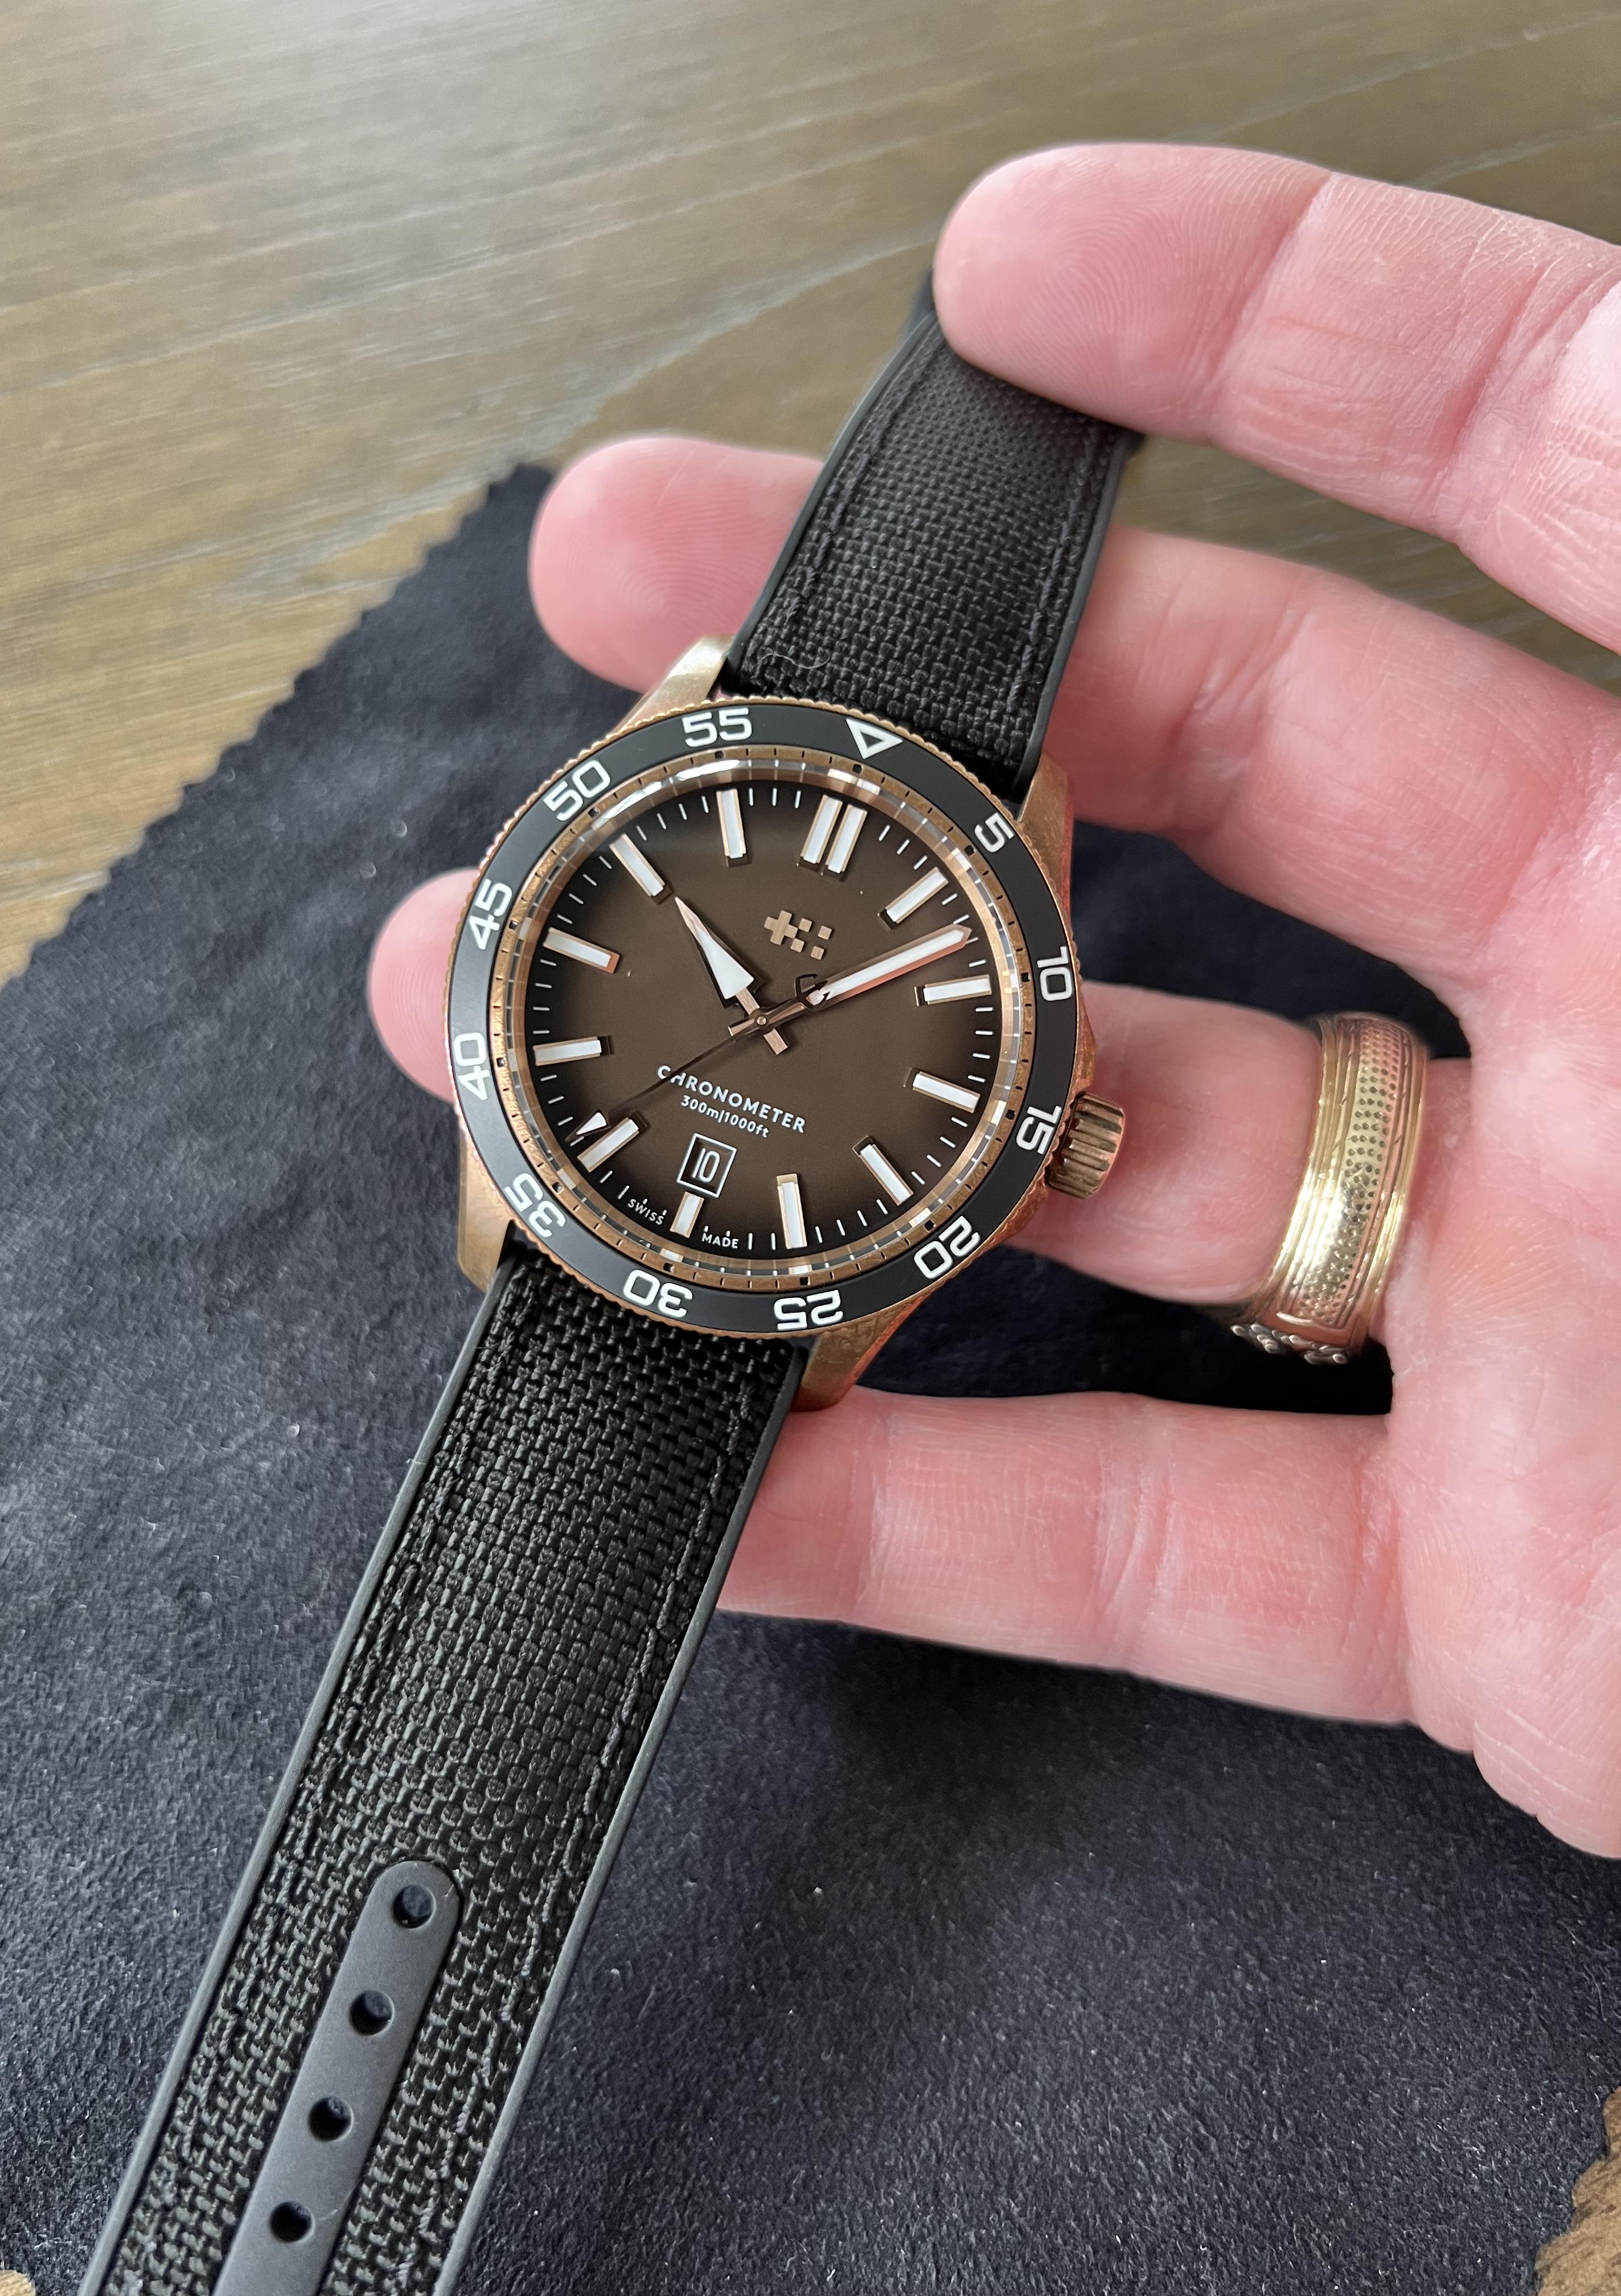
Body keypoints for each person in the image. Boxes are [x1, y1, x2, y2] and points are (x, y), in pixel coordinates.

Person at [367, 142, 1621, 1858]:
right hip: (631, 1186)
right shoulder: (693, 733)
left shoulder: (981, 1033)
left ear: (1058, 1129)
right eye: (755, 996)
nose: (770, 1023)